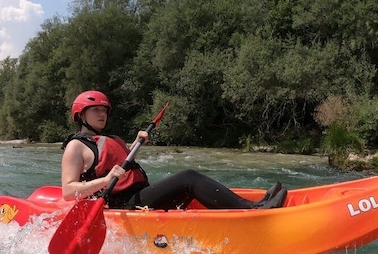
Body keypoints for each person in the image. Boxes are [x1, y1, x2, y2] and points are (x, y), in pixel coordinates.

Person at [61, 90, 287, 210]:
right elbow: (69, 192)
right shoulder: (76, 147)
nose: (102, 114)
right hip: (122, 204)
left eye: (104, 110)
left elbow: (123, 165)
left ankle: (249, 205)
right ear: (81, 115)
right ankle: (250, 209)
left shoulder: (112, 138)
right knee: (188, 177)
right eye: (95, 110)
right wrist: (105, 180)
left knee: (189, 187)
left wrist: (134, 146)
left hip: (139, 196)